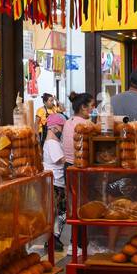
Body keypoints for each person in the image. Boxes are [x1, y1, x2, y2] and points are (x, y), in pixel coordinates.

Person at [42, 113, 67, 242]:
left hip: (56, 181)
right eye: (61, 127)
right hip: (55, 182)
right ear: (53, 128)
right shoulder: (52, 143)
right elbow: (61, 159)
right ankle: (53, 238)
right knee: (58, 212)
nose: (62, 130)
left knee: (59, 212)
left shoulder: (53, 142)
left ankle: (53, 237)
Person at [61, 92, 94, 165]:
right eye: (92, 105)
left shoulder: (67, 122)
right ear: (83, 107)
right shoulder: (85, 124)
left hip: (67, 165)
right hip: (81, 164)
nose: (93, 109)